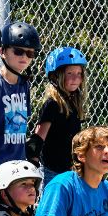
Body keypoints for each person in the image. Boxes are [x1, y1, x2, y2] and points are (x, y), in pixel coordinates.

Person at [0, 21, 39, 167]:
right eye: (18, 51)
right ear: (2, 51)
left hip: (18, 162)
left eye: (30, 53)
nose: (24, 57)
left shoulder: (24, 84)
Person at [28, 46, 87, 183]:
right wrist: (33, 163)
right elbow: (38, 138)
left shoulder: (73, 104)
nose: (76, 78)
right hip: (50, 170)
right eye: (70, 73)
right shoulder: (53, 104)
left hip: (67, 169)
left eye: (79, 74)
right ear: (57, 75)